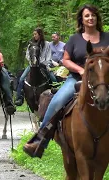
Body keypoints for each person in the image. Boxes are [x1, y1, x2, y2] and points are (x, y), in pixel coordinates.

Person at [23, 4, 109, 158]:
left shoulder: (107, 37)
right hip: (77, 78)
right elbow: (66, 60)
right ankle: (40, 140)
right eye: (87, 16)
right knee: (57, 101)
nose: (91, 18)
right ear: (82, 20)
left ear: (97, 18)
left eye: (93, 15)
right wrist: (81, 70)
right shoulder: (75, 39)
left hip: (104, 80)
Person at [14, 28, 57, 106]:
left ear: (40, 34)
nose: (34, 36)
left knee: (53, 77)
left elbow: (48, 56)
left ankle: (57, 95)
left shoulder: (47, 44)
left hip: (43, 65)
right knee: (21, 78)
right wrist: (32, 62)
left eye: (35, 34)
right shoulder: (31, 44)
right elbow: (27, 55)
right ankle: (19, 97)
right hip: (32, 65)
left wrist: (42, 63)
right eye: (33, 34)